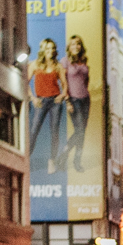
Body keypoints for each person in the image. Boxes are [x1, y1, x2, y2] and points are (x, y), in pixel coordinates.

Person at [28, 38, 67, 174]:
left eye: (52, 49)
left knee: (54, 132)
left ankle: (52, 160)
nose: (50, 51)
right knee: (34, 130)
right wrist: (32, 97)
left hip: (55, 101)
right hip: (41, 100)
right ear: (43, 50)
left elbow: (64, 84)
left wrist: (62, 96)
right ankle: (26, 157)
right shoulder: (35, 65)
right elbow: (25, 82)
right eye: (48, 49)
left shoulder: (58, 66)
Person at [53, 35, 91, 173]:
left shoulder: (84, 61)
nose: (76, 46)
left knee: (82, 132)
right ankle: (63, 155)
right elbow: (64, 83)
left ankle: (77, 160)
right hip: (73, 99)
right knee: (79, 130)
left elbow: (86, 80)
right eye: (73, 44)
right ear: (69, 47)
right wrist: (67, 101)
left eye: (78, 44)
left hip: (85, 99)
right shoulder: (65, 61)